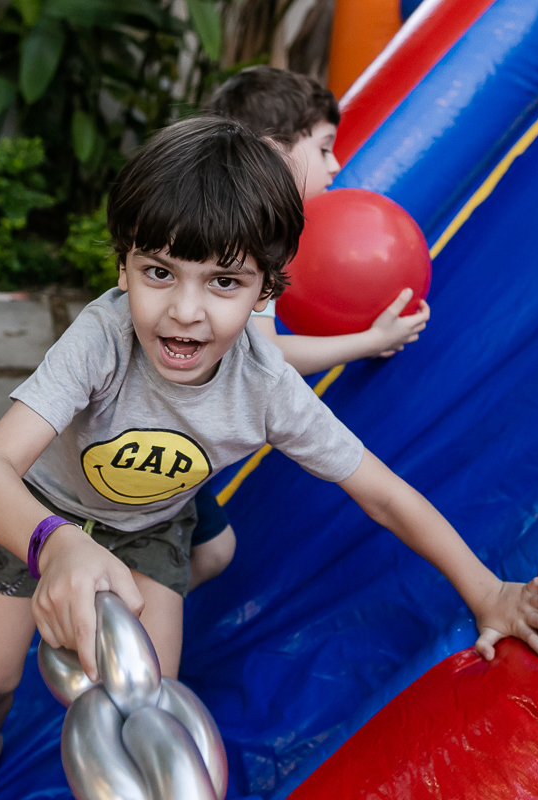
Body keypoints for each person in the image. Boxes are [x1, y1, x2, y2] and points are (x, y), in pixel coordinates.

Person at [0, 117, 538, 800]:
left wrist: (487, 591)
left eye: (224, 283)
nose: (185, 311)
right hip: (47, 509)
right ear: (123, 266)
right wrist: (53, 546)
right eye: (158, 273)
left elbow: (382, 492)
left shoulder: (265, 386)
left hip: (149, 531)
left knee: (151, 699)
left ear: (266, 291)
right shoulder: (103, 339)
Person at [188, 66, 432, 590]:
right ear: (277, 152)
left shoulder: (247, 223)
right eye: (323, 148)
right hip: (157, 429)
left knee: (211, 550)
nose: (336, 163)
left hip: (175, 438)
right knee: (206, 550)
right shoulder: (249, 238)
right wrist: (373, 340)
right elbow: (266, 353)